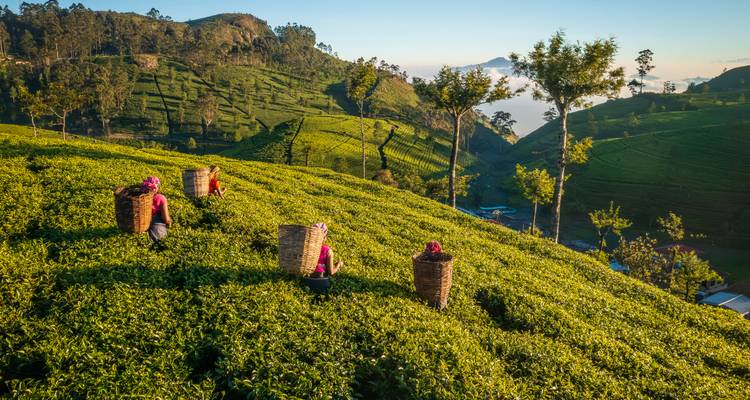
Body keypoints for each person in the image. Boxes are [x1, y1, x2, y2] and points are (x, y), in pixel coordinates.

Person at [142, 176, 172, 248]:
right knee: (159, 241)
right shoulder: (160, 198)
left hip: (142, 221)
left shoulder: (141, 197)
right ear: (156, 188)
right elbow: (165, 218)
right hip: (156, 222)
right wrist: (169, 222)